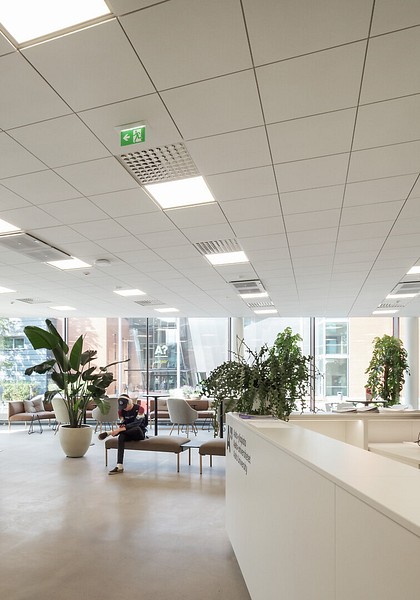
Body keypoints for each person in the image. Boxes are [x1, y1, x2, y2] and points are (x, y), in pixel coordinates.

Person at [98, 394, 148, 475]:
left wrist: (119, 430)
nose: (124, 408)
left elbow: (137, 424)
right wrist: (120, 428)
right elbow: (122, 423)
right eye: (122, 407)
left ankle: (110, 432)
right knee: (121, 436)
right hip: (127, 431)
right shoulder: (121, 411)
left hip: (139, 432)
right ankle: (119, 466)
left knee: (136, 428)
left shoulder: (140, 409)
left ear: (130, 402)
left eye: (125, 406)